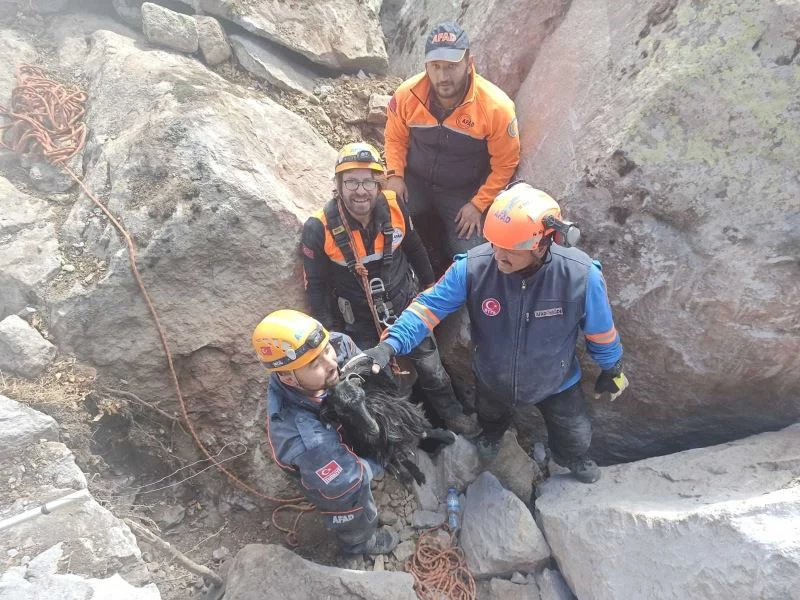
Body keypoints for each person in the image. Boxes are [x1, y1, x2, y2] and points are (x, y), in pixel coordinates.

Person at [345, 182, 630, 484]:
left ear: (543, 244)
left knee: (575, 433)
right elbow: (427, 308)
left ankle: (572, 456)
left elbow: (601, 330)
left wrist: (612, 367)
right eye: (494, 245)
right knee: (490, 417)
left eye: (510, 251)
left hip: (556, 381)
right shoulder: (473, 268)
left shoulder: (581, 276)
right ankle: (493, 435)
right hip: (492, 377)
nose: (498, 257)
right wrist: (388, 346)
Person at [300, 141, 479, 436]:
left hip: (407, 305)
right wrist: (329, 334)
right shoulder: (319, 228)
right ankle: (406, 432)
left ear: (378, 183)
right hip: (359, 320)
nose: (360, 190)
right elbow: (316, 286)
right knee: (387, 382)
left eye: (368, 181)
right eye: (351, 182)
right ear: (338, 185)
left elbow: (415, 247)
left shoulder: (394, 206)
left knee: (432, 369)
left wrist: (432, 286)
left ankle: (453, 415)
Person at [252, 309, 399, 555]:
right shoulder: (307, 441)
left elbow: (346, 354)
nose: (332, 363)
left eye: (326, 350)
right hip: (328, 475)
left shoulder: (334, 345)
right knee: (351, 507)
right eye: (314, 364)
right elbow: (345, 480)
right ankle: (360, 542)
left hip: (335, 435)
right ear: (288, 378)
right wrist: (377, 462)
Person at [383, 21, 520, 266]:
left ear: (469, 63)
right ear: (426, 65)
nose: (443, 76)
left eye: (452, 66)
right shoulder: (407, 95)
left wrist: (478, 205)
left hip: (461, 194)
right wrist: (394, 175)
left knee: (475, 259)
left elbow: (505, 164)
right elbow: (395, 138)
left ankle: (442, 247)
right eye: (436, 67)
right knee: (380, 219)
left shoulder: (496, 108)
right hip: (413, 182)